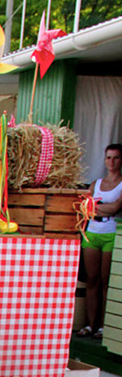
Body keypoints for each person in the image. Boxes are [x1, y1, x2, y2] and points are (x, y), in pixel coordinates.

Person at [79, 143, 122, 337]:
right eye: (108, 158)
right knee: (92, 280)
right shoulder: (96, 183)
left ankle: (104, 326)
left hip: (110, 232)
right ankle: (90, 324)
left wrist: (96, 207)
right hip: (92, 231)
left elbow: (115, 208)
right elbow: (84, 208)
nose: (111, 162)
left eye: (116, 158)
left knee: (106, 281)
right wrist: (103, 207)